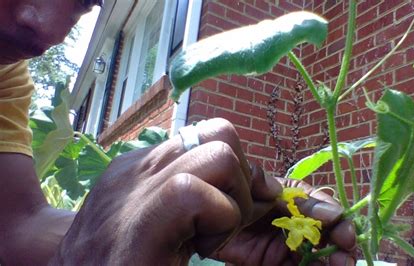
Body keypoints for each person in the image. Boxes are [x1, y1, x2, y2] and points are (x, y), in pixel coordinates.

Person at [0, 0, 356, 265]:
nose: (46, 28)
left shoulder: (7, 77)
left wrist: (122, 223)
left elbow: (15, 227)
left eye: (83, 2)